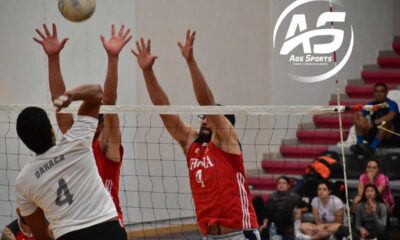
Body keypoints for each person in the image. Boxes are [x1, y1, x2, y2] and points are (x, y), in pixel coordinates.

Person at [131, 30, 259, 239]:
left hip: (239, 233)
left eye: (210, 117)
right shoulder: (193, 145)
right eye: (203, 117)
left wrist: (190, 61)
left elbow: (207, 102)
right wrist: (147, 72)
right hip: (208, 235)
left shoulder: (227, 141)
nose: (205, 120)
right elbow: (164, 110)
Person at [33, 23, 131, 229]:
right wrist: (53, 58)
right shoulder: (77, 141)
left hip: (108, 222)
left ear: (102, 125)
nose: (92, 120)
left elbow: (110, 102)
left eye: (99, 119)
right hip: (79, 224)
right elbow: (59, 102)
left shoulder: (107, 147)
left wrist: (113, 59)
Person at [16, 84, 126, 240]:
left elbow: (40, 235)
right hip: (107, 228)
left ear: (25, 142)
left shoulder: (24, 181)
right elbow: (97, 93)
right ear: (52, 131)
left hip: (68, 235)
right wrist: (72, 95)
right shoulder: (76, 141)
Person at [353, 83, 400, 153]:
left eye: (381, 91)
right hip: (376, 132)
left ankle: (372, 148)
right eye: (376, 91)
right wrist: (360, 120)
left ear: (386, 92)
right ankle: (359, 145)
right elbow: (357, 114)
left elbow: (390, 116)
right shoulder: (371, 104)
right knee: (360, 119)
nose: (379, 94)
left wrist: (373, 123)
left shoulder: (391, 103)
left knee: (385, 123)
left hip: (392, 135)